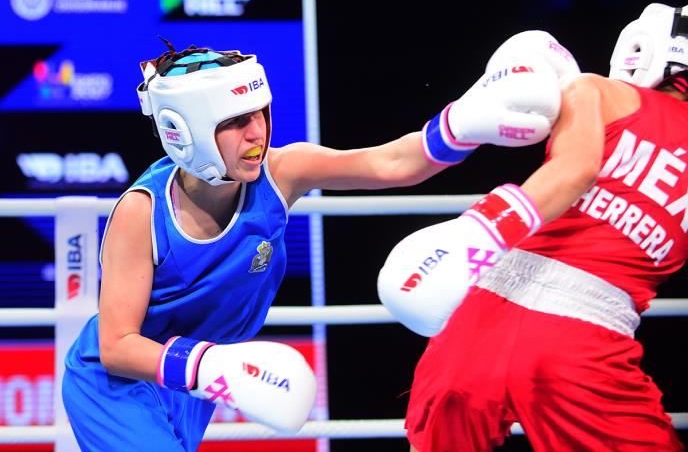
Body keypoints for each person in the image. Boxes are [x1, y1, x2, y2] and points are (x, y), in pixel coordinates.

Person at [59, 37, 565, 451]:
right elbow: (116, 346)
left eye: (259, 113)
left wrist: (462, 124)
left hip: (190, 384)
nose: (256, 133)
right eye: (234, 122)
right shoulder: (141, 213)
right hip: (118, 387)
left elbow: (390, 163)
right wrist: (210, 365)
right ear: (182, 132)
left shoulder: (283, 171)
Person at [378, 2, 688, 452]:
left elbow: (574, 169)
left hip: (478, 319)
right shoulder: (599, 93)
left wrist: (475, 233)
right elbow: (576, 172)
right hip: (581, 344)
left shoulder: (597, 91)